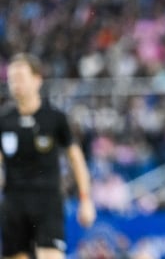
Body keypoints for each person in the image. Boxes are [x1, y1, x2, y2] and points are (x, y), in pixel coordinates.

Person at [0, 53, 96, 259]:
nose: (15, 83)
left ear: (37, 80)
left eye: (21, 78)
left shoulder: (54, 118)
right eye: (11, 79)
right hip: (14, 203)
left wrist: (85, 199)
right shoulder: (4, 119)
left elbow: (76, 159)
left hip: (48, 201)